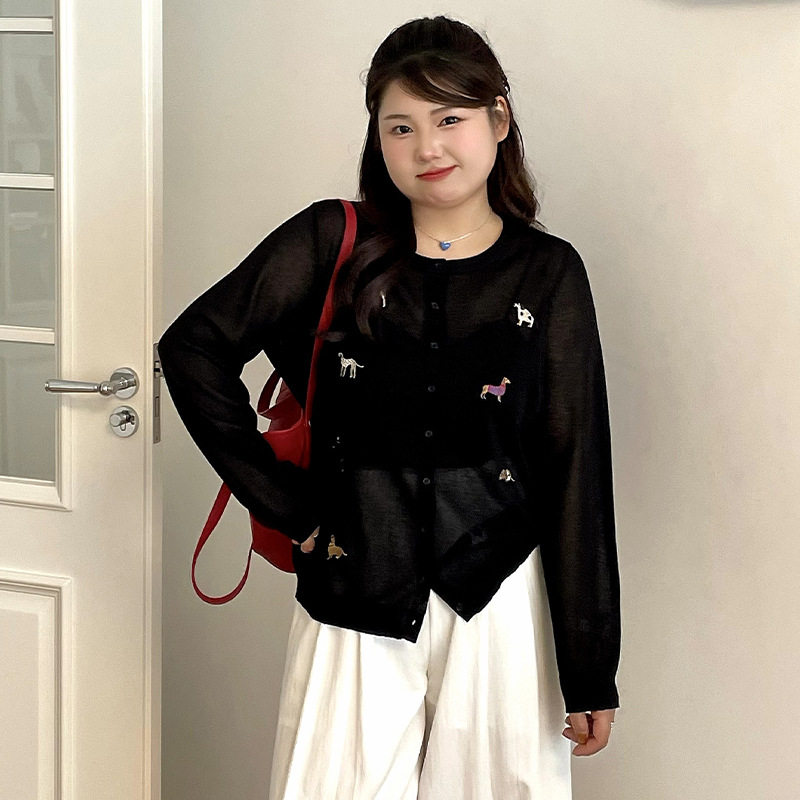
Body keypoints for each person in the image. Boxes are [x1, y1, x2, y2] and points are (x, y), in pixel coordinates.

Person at [159, 14, 621, 800]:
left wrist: (588, 665)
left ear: (498, 119)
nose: (427, 147)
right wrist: (289, 505)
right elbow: (192, 348)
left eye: (450, 119)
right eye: (400, 127)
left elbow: (574, 463)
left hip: (499, 601)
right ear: (378, 138)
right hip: (354, 593)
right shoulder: (331, 242)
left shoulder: (547, 272)